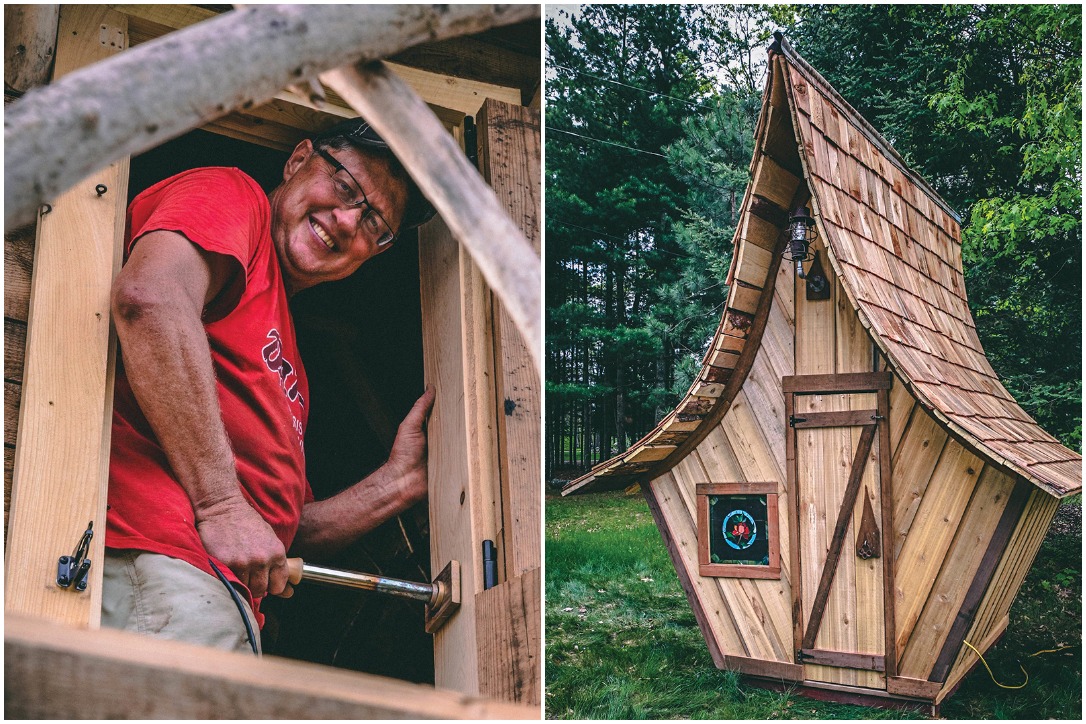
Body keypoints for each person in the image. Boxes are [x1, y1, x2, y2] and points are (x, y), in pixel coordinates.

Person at [102, 118, 436, 654]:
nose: (348, 222)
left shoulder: (293, 368)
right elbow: (149, 298)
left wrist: (398, 482)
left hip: (208, 598)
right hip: (160, 567)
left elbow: (283, 531)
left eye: (374, 223)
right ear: (298, 159)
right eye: (346, 188)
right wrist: (220, 506)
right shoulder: (235, 197)